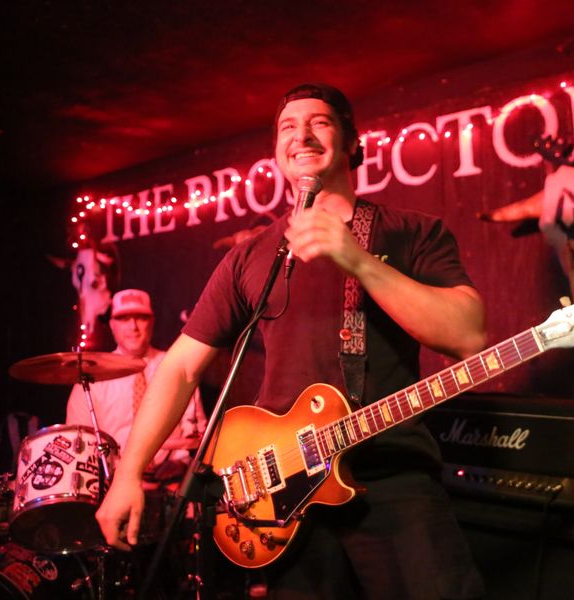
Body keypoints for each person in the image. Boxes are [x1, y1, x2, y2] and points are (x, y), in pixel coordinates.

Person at [96, 84, 487, 599]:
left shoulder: (412, 232)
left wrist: (357, 261)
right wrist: (128, 474)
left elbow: (468, 336)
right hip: (287, 492)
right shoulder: (250, 255)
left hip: (392, 478)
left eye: (320, 122)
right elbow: (181, 367)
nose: (301, 135)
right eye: (287, 127)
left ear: (352, 142)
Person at [66, 288, 205, 486]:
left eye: (141, 318)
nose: (133, 326)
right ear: (112, 325)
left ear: (152, 321)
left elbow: (197, 432)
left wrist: (180, 462)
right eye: (123, 319)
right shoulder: (91, 378)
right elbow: (77, 444)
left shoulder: (175, 366)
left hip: (170, 484)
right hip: (112, 484)